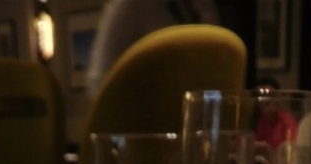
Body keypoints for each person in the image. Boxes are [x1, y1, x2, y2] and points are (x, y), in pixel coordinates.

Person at [86, 0, 220, 96]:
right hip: (145, 118)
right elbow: (100, 82)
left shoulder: (202, 6)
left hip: (198, 112)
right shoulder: (128, 6)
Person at [254, 77, 297, 149]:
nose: (265, 101)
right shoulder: (262, 121)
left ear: (278, 98)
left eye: (270, 95)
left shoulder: (287, 121)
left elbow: (291, 148)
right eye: (261, 96)